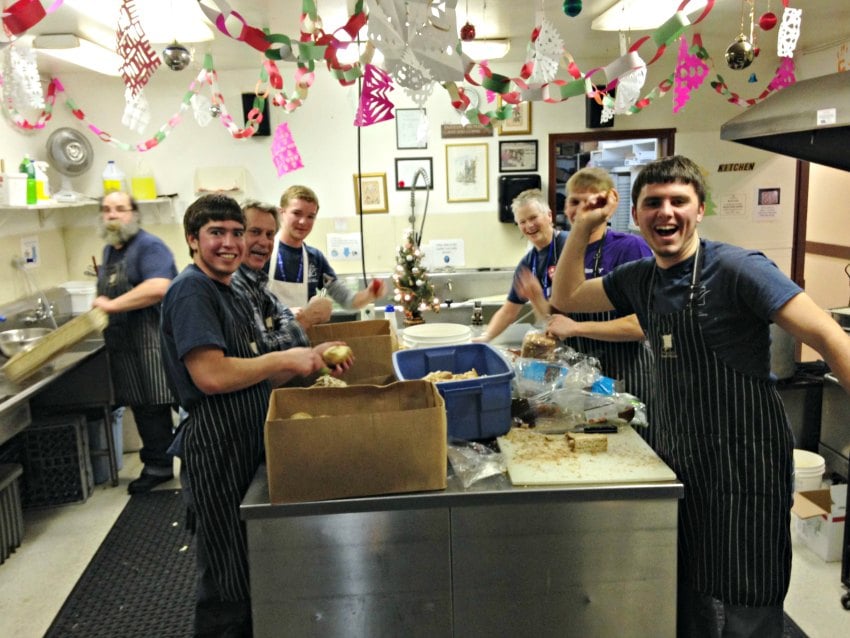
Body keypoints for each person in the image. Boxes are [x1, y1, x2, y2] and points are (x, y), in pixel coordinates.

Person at [550, 155, 850, 637]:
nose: (665, 213)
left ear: (700, 209)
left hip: (745, 462)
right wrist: (584, 225)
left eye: (678, 201)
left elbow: (831, 337)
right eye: (652, 203)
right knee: (683, 581)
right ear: (638, 213)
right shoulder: (641, 277)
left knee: (748, 594)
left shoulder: (738, 269)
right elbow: (566, 296)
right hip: (678, 457)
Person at [160, 193, 351, 636]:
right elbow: (210, 374)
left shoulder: (231, 291)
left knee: (250, 567)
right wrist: (286, 360)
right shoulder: (192, 289)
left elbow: (251, 373)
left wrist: (310, 356)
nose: (230, 243)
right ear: (192, 239)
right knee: (227, 576)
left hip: (245, 437)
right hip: (216, 445)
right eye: (216, 234)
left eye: (235, 232)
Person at [93, 190, 177, 494]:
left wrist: (113, 306)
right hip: (126, 345)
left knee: (161, 404)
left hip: (153, 341)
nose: (112, 215)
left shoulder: (149, 246)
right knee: (144, 407)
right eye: (106, 209)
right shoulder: (110, 251)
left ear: (135, 214)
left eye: (120, 209)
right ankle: (158, 465)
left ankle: (177, 465)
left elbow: (159, 286)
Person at [544, 167, 654, 400]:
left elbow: (643, 325)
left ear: (608, 205)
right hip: (576, 377)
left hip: (624, 376)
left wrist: (575, 328)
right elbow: (559, 310)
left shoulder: (630, 248)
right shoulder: (563, 253)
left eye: (591, 203)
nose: (582, 211)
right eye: (575, 202)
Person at [231, 200, 330, 352]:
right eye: (255, 232)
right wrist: (307, 318)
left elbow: (284, 319)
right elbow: (261, 350)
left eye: (270, 234)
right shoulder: (233, 286)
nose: (264, 242)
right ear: (236, 235)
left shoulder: (260, 286)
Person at [268, 185, 385, 312]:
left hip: (302, 331)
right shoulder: (264, 252)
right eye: (297, 213)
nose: (303, 222)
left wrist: (369, 295)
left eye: (310, 216)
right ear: (281, 213)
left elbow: (346, 300)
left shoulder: (315, 259)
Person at [472, 189, 568, 343]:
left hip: (584, 334)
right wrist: (486, 337)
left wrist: (537, 297)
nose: (529, 225)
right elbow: (508, 311)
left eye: (533, 217)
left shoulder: (569, 245)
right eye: (522, 222)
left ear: (549, 215)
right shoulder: (527, 264)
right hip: (558, 339)